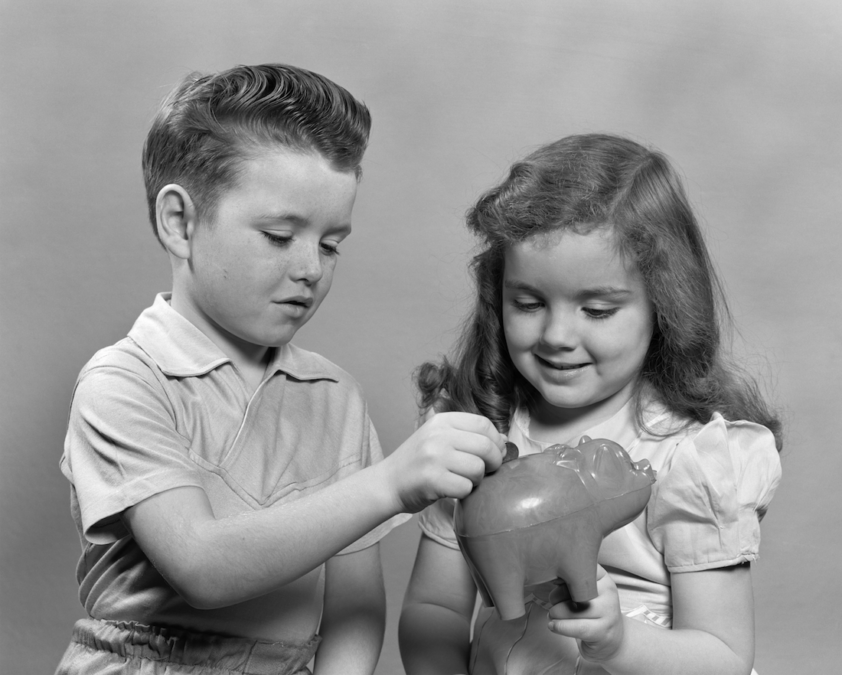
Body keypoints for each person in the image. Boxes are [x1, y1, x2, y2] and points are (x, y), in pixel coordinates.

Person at [56, 63, 506, 675]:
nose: (311, 269)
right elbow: (201, 567)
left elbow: (353, 611)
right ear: (180, 222)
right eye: (277, 236)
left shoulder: (334, 397)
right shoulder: (123, 383)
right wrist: (388, 485)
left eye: (330, 244)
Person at [399, 133, 782, 675]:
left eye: (598, 310)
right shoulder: (479, 433)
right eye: (528, 303)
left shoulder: (689, 458)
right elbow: (433, 608)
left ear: (663, 306)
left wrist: (621, 645)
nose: (557, 334)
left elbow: (723, 657)